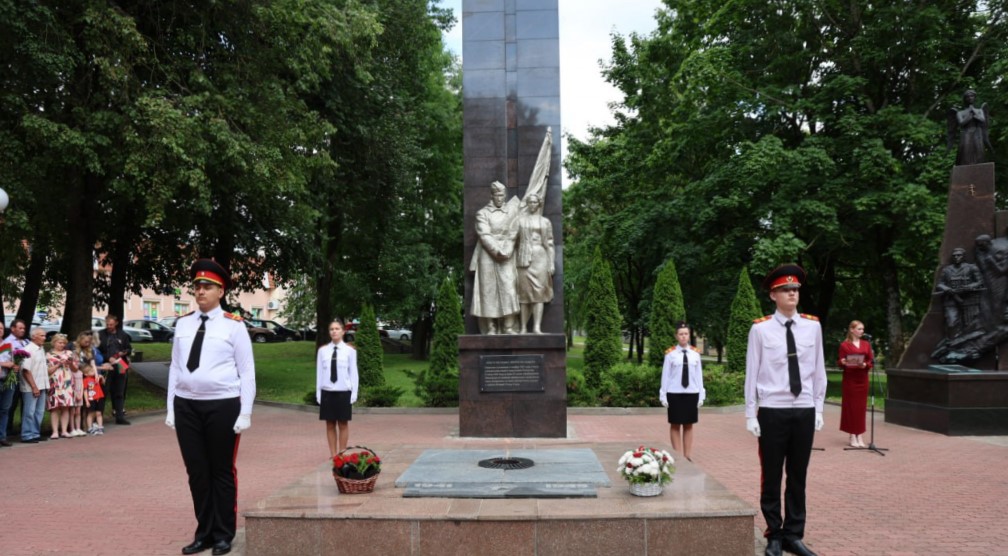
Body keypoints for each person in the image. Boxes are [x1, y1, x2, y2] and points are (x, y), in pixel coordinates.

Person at [166, 259, 255, 556]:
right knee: (197, 473)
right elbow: (176, 368)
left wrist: (245, 412)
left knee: (221, 471)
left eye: (207, 286)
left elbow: (247, 371)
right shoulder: (183, 323)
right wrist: (170, 408)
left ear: (221, 291)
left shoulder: (234, 326)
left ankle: (223, 534)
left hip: (223, 405)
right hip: (187, 406)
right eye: (197, 286)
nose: (200, 290)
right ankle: (203, 533)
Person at [745, 264, 826, 556]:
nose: (792, 293)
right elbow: (752, 373)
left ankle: (794, 534)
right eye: (785, 290)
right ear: (773, 295)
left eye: (795, 289)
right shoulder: (760, 329)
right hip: (772, 409)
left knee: (798, 474)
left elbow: (819, 371)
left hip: (803, 408)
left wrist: (818, 408)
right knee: (771, 474)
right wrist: (749, 413)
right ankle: (774, 534)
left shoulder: (812, 326)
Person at [471, 180, 521, 334]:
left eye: (502, 195)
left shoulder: (512, 211)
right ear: (492, 196)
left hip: (507, 253)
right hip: (488, 254)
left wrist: (508, 248)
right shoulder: (482, 213)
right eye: (497, 195)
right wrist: (497, 251)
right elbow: (484, 234)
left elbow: (515, 230)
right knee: (488, 291)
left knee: (509, 289)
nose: (500, 198)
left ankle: (508, 326)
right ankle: (491, 327)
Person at [658, 321, 704, 461]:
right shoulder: (670, 354)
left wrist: (701, 394)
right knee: (675, 424)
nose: (683, 336)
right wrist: (663, 395)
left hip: (691, 392)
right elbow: (665, 376)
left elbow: (698, 376)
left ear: (689, 335)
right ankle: (677, 456)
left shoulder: (695, 354)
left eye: (686, 334)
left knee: (689, 425)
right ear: (676, 336)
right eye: (681, 334)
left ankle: (687, 455)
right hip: (674, 393)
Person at [316, 318, 359, 459]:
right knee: (329, 424)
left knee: (343, 424)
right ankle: (333, 454)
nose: (334, 331)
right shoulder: (323, 351)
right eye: (331, 329)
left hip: (343, 391)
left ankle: (342, 453)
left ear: (343, 331)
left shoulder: (350, 351)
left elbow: (353, 373)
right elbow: (319, 373)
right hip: (327, 392)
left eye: (337, 329)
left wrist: (354, 392)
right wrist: (318, 392)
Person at [516, 194, 555, 334]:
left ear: (539, 204)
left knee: (539, 293)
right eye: (530, 202)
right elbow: (512, 240)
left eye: (535, 202)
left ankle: (537, 327)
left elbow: (550, 244)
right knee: (524, 294)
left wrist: (551, 263)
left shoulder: (545, 222)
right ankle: (522, 328)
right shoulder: (520, 221)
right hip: (524, 258)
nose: (532, 204)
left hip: (541, 257)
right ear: (527, 204)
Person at [838, 320, 874, 448]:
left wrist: (865, 364)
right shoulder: (844, 345)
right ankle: (852, 434)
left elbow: (871, 361)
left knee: (861, 408)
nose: (862, 331)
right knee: (851, 407)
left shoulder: (866, 344)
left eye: (862, 329)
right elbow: (840, 362)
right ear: (852, 330)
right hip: (850, 379)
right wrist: (843, 362)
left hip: (862, 379)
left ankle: (860, 434)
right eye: (859, 329)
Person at [935, 247, 983, 339]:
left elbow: (980, 282)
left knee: (971, 324)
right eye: (954, 256)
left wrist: (969, 287)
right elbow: (939, 284)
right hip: (951, 300)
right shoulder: (946, 270)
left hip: (969, 299)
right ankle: (954, 342)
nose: (956, 257)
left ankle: (968, 344)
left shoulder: (972, 268)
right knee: (952, 323)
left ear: (964, 257)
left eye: (959, 255)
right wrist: (947, 289)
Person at [98, 314, 133, 425]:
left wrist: (124, 352)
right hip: (106, 364)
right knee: (104, 391)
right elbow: (97, 351)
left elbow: (129, 348)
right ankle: (99, 418)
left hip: (121, 364)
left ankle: (119, 416)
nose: (109, 326)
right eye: (107, 324)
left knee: (120, 391)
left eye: (111, 324)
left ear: (116, 323)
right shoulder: (100, 334)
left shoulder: (123, 335)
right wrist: (108, 357)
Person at [0, 319, 28, 447]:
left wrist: (14, 366)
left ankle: (2, 436)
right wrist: (5, 364)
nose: (0, 330)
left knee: (5, 409)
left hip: (8, 379)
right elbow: (6, 362)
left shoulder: (7, 344)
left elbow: (11, 360)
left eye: (1, 328)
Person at [19, 327, 50, 443]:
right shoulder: (28, 349)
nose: (44, 338)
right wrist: (34, 387)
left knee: (39, 411)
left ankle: (35, 433)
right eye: (42, 336)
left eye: (44, 335)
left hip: (42, 385)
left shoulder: (41, 349)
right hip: (31, 387)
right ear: (33, 336)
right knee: (29, 411)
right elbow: (26, 370)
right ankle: (27, 435)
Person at [947, 89, 993, 166]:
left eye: (972, 96)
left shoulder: (979, 110)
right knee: (965, 152)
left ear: (974, 97)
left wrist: (974, 112)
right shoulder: (960, 113)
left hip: (977, 133)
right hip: (966, 133)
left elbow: (982, 120)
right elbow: (961, 123)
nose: (970, 98)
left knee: (979, 152)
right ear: (965, 99)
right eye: (967, 97)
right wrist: (969, 115)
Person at [46, 333, 77, 439]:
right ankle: (55, 431)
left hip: (67, 382)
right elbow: (48, 371)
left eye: (64, 343)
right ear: (54, 342)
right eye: (60, 342)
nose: (62, 345)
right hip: (54, 382)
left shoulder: (69, 353)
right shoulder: (48, 355)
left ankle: (64, 430)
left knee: (66, 407)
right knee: (55, 407)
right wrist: (58, 364)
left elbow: (75, 369)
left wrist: (70, 363)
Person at [79, 332, 106, 435]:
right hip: (89, 396)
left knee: (97, 412)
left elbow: (93, 364)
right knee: (89, 411)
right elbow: (85, 390)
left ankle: (98, 426)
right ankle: (88, 427)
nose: (88, 343)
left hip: (97, 396)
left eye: (89, 341)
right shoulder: (86, 379)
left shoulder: (91, 351)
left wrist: (96, 374)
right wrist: (86, 400)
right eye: (86, 341)